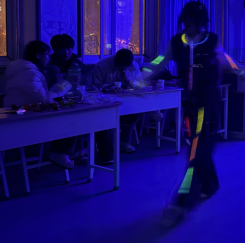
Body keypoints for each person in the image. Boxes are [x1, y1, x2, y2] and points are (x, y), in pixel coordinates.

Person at [143, 1, 244, 227]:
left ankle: (181, 203)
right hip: (190, 104)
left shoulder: (211, 40)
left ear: (201, 23)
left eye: (192, 24)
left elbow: (224, 57)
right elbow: (160, 60)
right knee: (200, 150)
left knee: (196, 153)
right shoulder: (176, 42)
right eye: (186, 23)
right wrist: (144, 75)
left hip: (208, 103)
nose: (188, 28)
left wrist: (240, 70)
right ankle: (210, 184)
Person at [4, 40, 76, 169]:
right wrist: (64, 85)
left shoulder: (25, 70)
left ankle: (63, 152)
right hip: (23, 120)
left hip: (22, 115)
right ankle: (58, 153)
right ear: (38, 55)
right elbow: (44, 98)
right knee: (72, 120)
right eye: (47, 54)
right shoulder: (29, 74)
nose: (49, 58)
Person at [91, 48, 143, 159]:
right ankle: (106, 148)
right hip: (106, 103)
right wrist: (108, 88)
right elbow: (94, 87)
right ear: (115, 61)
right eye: (121, 67)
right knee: (102, 117)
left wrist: (128, 80)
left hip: (127, 102)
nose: (124, 69)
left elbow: (140, 85)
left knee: (133, 113)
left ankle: (125, 142)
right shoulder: (101, 66)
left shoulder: (133, 65)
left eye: (126, 67)